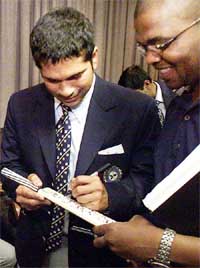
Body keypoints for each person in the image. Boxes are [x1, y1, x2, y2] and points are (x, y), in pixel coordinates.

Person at [0, 7, 161, 268]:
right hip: (34, 246)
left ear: (94, 58)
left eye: (75, 76)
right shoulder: (21, 104)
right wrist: (19, 188)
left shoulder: (135, 109)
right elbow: (8, 166)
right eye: (52, 80)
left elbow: (149, 178)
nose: (66, 90)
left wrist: (112, 194)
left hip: (100, 250)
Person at [93, 0, 200, 267]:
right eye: (144, 47)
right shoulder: (178, 107)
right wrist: (141, 222)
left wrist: (157, 244)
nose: (150, 58)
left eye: (162, 43)